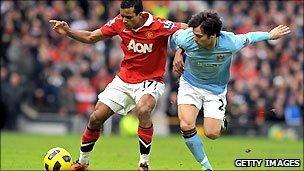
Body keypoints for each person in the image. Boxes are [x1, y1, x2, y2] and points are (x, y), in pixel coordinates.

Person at [49, 0, 187, 170]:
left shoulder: (159, 25)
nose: (124, 20)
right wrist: (68, 31)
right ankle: (83, 162)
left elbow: (186, 28)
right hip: (124, 79)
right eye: (122, 15)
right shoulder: (118, 22)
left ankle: (144, 163)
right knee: (95, 117)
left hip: (150, 81)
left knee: (143, 110)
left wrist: (180, 51)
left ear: (140, 14)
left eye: (128, 17)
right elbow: (92, 37)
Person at [170, 10, 290, 170]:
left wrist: (269, 35)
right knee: (186, 125)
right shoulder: (187, 37)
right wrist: (178, 53)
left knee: (212, 134)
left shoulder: (230, 42)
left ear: (212, 36)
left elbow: (249, 37)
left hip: (215, 90)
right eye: (194, 34)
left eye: (199, 36)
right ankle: (206, 167)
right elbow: (173, 38)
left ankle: (222, 121)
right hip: (190, 84)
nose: (194, 38)